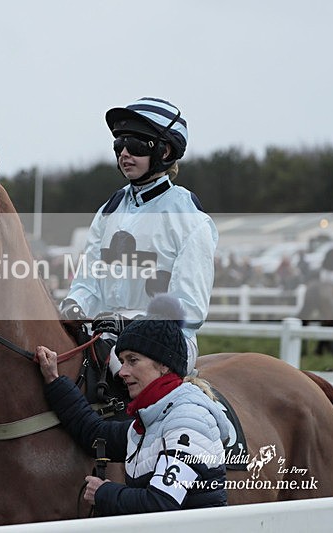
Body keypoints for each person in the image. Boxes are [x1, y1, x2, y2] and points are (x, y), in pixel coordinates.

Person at [60, 96, 217, 376]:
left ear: (165, 151)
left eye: (133, 145)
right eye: (118, 145)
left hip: (167, 342)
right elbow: (88, 280)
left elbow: (190, 306)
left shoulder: (188, 216)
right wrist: (74, 305)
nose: (123, 154)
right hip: (106, 336)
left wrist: (129, 323)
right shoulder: (109, 208)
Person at [37, 295, 228, 515]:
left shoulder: (186, 420)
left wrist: (102, 492)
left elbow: (161, 503)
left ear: (164, 365)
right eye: (123, 360)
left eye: (133, 360)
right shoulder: (152, 420)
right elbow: (94, 433)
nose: (123, 371)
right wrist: (55, 380)